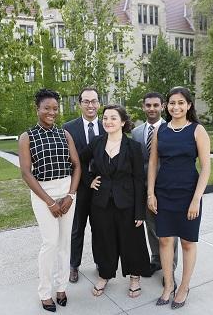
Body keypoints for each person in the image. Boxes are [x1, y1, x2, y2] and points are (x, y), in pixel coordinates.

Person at [147, 86, 210, 309]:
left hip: (188, 194)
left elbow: (206, 168)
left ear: (188, 105)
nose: (176, 107)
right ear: (167, 106)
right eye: (172, 103)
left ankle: (183, 287)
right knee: (164, 240)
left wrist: (196, 199)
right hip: (163, 193)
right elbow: (153, 163)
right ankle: (168, 285)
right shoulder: (160, 131)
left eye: (181, 103)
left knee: (187, 242)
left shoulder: (197, 130)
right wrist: (150, 193)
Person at [19, 88, 81, 312]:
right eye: (47, 108)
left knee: (65, 243)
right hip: (42, 192)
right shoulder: (27, 137)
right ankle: (44, 292)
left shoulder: (64, 134)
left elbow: (76, 165)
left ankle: (61, 287)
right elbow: (26, 173)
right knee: (50, 243)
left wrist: (71, 195)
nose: (51, 112)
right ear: (37, 109)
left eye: (55, 108)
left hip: (66, 190)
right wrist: (50, 202)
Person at [80, 105, 150, 297]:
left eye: (113, 118)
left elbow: (138, 179)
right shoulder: (96, 142)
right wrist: (88, 180)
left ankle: (134, 276)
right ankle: (105, 274)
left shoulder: (133, 147)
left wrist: (139, 211)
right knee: (104, 240)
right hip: (101, 202)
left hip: (127, 203)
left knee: (132, 241)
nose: (108, 122)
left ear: (123, 122)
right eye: (105, 118)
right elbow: (79, 160)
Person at [132, 92, 178, 277]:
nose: (152, 109)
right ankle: (156, 259)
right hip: (144, 187)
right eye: (148, 105)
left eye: (155, 105)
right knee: (150, 226)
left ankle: (171, 270)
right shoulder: (136, 132)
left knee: (169, 229)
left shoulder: (172, 129)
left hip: (167, 187)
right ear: (143, 107)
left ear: (163, 106)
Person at [63, 87, 105, 283]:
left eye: (94, 101)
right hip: (78, 187)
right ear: (79, 104)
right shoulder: (68, 128)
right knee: (77, 228)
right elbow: (69, 160)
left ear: (99, 103)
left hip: (102, 188)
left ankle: (100, 262)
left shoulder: (108, 125)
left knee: (99, 228)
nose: (90, 105)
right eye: (86, 101)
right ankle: (74, 266)